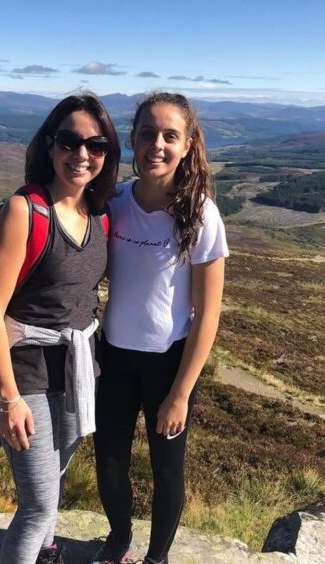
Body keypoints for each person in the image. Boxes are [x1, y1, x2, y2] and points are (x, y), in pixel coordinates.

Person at [0, 93, 120, 564]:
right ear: (49, 144)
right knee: (38, 505)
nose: (82, 155)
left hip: (80, 371)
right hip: (29, 373)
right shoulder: (24, 211)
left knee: (55, 480)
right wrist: (9, 397)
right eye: (69, 141)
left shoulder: (100, 214)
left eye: (96, 145)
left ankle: (46, 555)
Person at [93, 92, 228, 564]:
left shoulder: (201, 215)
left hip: (168, 365)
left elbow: (208, 313)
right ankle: (118, 540)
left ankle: (157, 558)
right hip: (113, 358)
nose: (157, 144)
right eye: (147, 133)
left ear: (188, 144)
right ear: (132, 139)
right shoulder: (112, 201)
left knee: (167, 471)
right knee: (109, 464)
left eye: (171, 135)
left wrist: (181, 393)